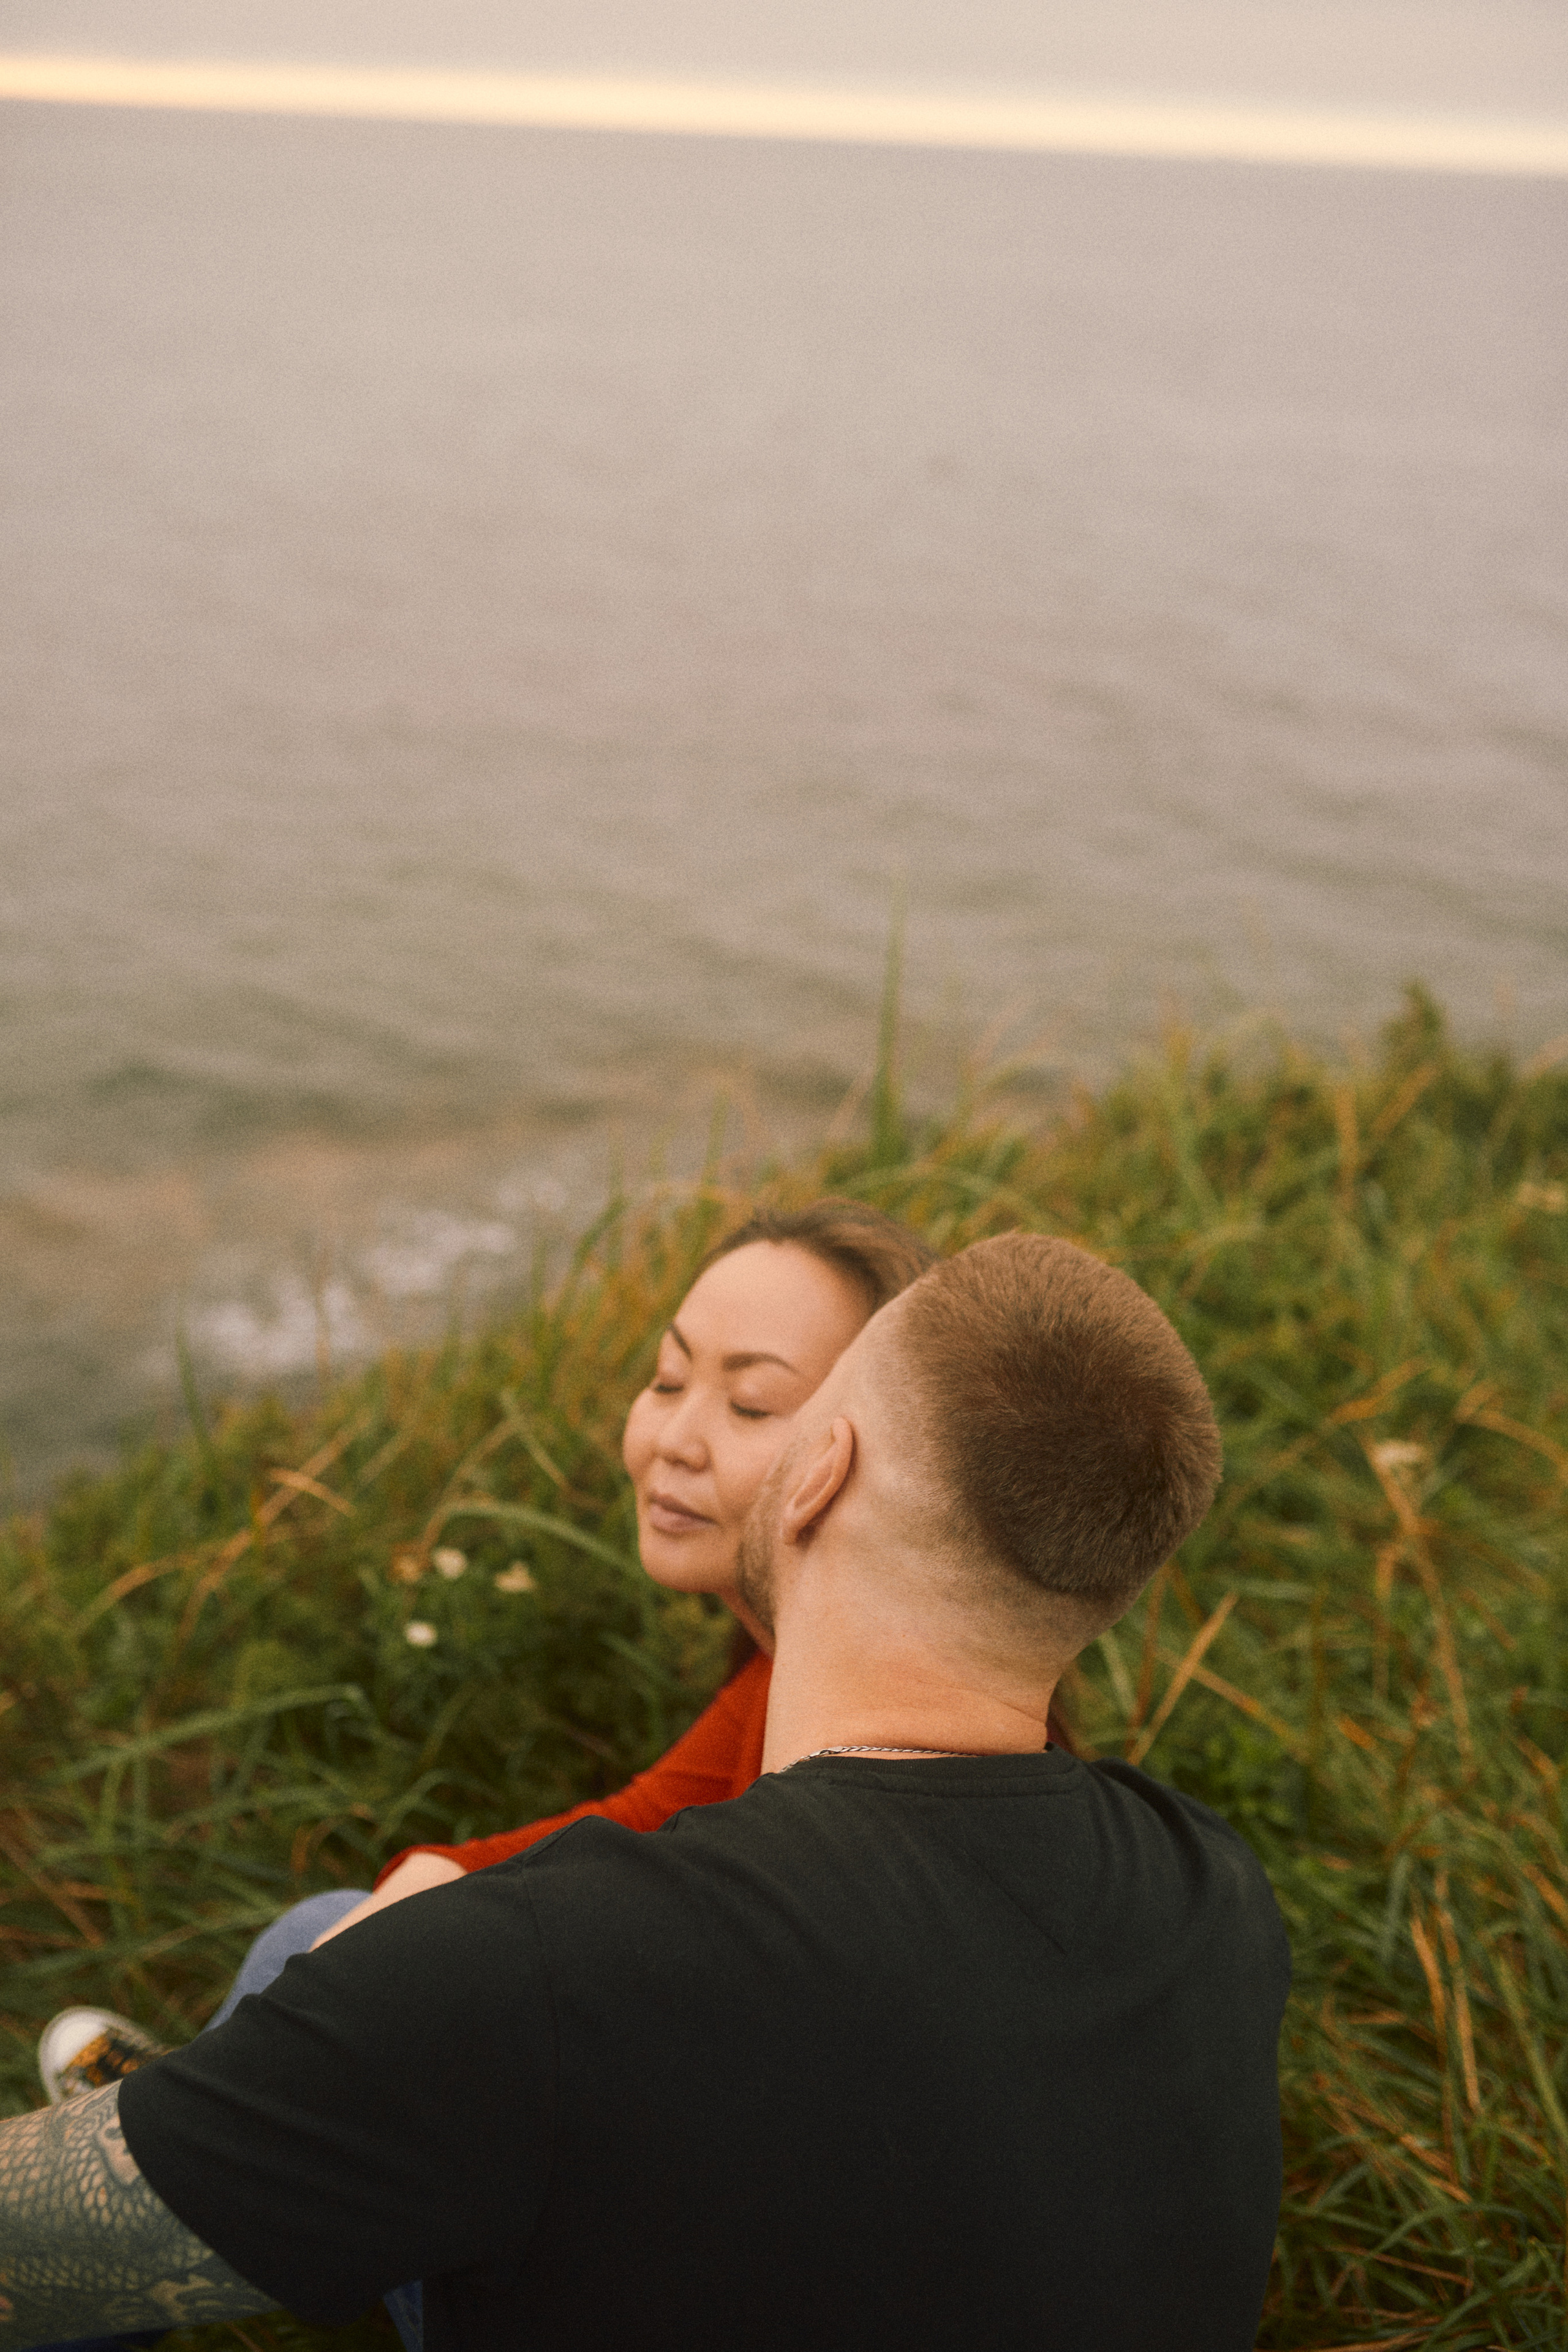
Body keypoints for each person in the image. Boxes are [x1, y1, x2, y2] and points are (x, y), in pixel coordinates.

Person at [1, 1232, 1290, 2352]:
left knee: (305, 1951)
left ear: (819, 1473)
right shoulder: (1214, 1885)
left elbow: (23, 2252)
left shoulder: (540, 1978)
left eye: (771, 1406)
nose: (680, 1435)